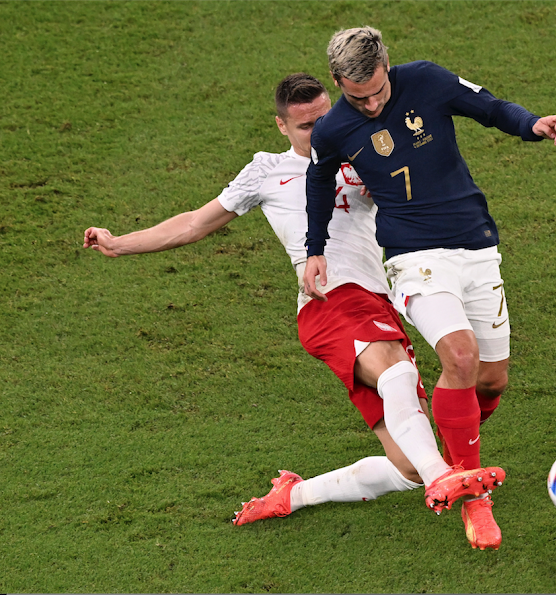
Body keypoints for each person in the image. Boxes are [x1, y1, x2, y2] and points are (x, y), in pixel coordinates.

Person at [83, 73, 504, 550]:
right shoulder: (266, 171)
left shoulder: (362, 153)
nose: (319, 130)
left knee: (404, 463)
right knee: (396, 375)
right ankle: (443, 478)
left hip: (376, 300)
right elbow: (196, 223)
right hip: (330, 303)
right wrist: (120, 245)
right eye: (306, 126)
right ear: (282, 127)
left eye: (325, 117)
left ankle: (293, 495)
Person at [303, 27, 556, 550]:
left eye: (379, 90)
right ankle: (474, 500)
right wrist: (314, 248)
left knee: (490, 382)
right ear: (338, 82)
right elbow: (318, 183)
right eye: (359, 97)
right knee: (461, 359)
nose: (373, 103)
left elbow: (488, 106)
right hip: (414, 258)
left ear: (387, 68)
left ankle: (452, 450)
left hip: (476, 246)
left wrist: (531, 124)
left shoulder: (426, 80)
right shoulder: (332, 129)